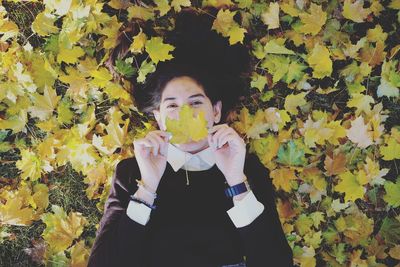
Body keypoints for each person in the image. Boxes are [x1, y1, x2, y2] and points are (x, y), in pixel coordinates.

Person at [88, 8, 293, 267]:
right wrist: (148, 188)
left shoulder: (245, 170)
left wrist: (236, 183)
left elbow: (275, 262)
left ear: (216, 111)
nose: (185, 113)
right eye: (172, 106)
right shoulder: (132, 173)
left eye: (196, 102)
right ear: (159, 118)